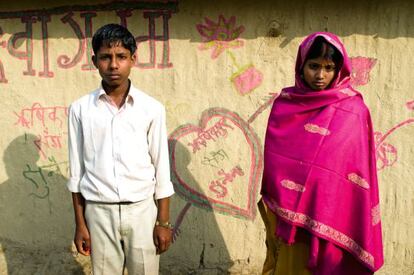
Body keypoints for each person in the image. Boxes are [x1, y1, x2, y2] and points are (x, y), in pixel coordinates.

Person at [259, 32, 384, 275]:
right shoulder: (285, 105)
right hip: (288, 217)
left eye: (329, 68)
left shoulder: (354, 110)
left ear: (339, 69)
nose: (320, 75)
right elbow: (276, 160)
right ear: (301, 65)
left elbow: (356, 166)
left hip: (335, 212)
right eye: (313, 66)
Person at [66, 23, 174, 275]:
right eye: (105, 57)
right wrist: (80, 224)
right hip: (99, 212)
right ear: (95, 61)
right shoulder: (80, 109)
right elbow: (76, 172)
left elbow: (161, 168)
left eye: (121, 57)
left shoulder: (151, 108)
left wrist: (163, 222)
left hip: (142, 211)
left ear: (133, 59)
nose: (113, 65)